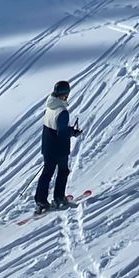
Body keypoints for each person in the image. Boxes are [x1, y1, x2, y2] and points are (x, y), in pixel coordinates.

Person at [36, 79, 81, 212]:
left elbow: (54, 127)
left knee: (47, 173)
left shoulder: (50, 106)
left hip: (48, 146)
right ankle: (59, 198)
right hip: (59, 149)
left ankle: (40, 201)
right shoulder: (62, 112)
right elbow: (62, 133)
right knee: (63, 171)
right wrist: (73, 132)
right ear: (65, 94)